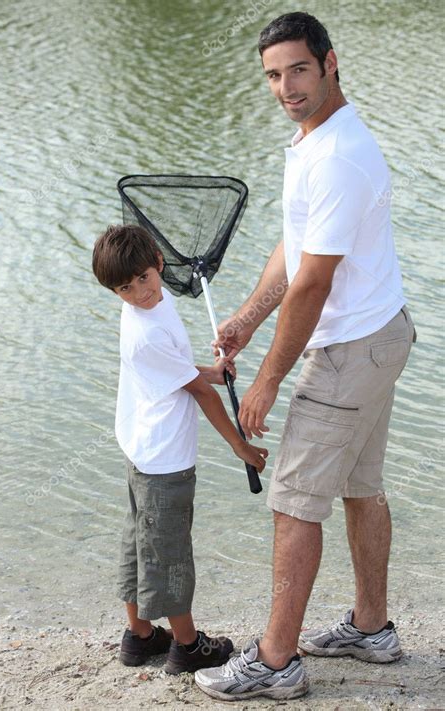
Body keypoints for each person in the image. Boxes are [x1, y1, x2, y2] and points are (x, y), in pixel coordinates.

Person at [194, 11, 416, 701]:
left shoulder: (341, 155)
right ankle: (372, 627)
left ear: (329, 63)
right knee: (360, 484)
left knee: (293, 502)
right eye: (272, 75)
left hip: (350, 349)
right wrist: (247, 320)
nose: (285, 86)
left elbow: (316, 281)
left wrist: (265, 381)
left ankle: (276, 660)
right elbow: (296, 248)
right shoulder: (315, 141)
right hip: (381, 335)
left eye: (297, 69)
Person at [92, 224, 268, 675]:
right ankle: (188, 647)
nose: (139, 293)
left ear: (158, 264)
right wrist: (240, 447)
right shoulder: (144, 329)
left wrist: (210, 371)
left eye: (144, 280)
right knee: (170, 553)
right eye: (125, 289)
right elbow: (200, 395)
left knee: (140, 540)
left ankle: (140, 636)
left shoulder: (157, 307)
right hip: (164, 461)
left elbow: (179, 372)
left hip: (142, 449)